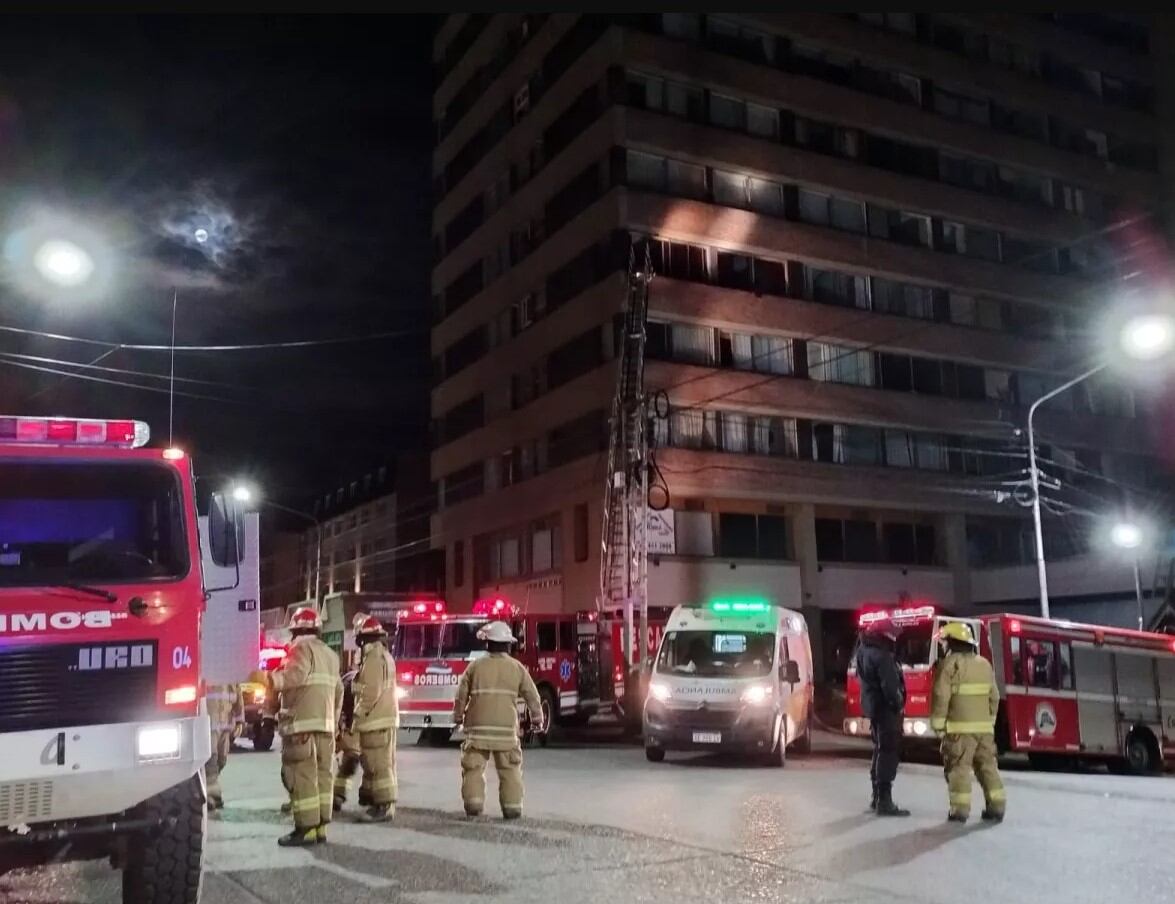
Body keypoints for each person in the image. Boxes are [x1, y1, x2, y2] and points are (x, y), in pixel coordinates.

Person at [452, 620, 542, 819]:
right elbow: (532, 696)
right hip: (506, 731)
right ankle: (512, 808)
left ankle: (473, 805)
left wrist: (458, 717)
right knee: (510, 770)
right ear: (507, 644)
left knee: (473, 768)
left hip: (477, 730)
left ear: (487, 643)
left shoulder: (475, 667)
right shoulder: (517, 668)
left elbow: (461, 695)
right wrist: (537, 719)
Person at [268, 606, 343, 847]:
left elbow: (294, 677)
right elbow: (339, 692)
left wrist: (269, 679)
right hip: (326, 727)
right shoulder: (331, 655)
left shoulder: (299, 649)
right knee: (323, 776)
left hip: (301, 726)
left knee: (302, 776)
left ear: (296, 630)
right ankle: (320, 827)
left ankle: (305, 828)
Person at [931, 622, 1005, 824]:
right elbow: (994, 697)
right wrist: (988, 721)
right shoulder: (984, 664)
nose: (944, 646)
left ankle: (959, 811)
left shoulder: (949, 665)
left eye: (945, 642)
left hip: (958, 731)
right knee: (988, 767)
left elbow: (940, 696)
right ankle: (997, 807)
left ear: (952, 642)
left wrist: (938, 725)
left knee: (959, 769)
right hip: (984, 731)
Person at [855, 619, 909, 817]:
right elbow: (890, 686)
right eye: (892, 634)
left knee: (879, 749)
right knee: (888, 751)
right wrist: (898, 704)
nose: (894, 637)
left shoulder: (863, 651)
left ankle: (876, 796)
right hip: (886, 710)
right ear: (884, 635)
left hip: (873, 707)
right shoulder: (883, 655)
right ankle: (884, 801)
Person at [352, 614, 399, 822]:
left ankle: (384, 807)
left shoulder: (372, 659)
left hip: (375, 720)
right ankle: (375, 800)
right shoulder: (385, 656)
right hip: (385, 718)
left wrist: (357, 714)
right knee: (379, 763)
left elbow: (370, 692)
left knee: (379, 765)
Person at [334, 613, 374, 814]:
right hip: (356, 728)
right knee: (361, 761)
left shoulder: (351, 679)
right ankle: (345, 795)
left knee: (352, 760)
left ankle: (336, 796)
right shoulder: (355, 679)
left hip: (350, 728)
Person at [204, 683, 243, 811]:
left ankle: (211, 788)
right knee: (211, 760)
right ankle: (211, 795)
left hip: (225, 724)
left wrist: (239, 720)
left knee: (222, 759)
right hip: (209, 723)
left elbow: (238, 693)